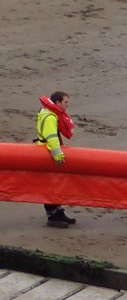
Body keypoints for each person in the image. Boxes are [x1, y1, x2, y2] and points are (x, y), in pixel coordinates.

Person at [35, 91, 77, 228]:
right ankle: (52, 216)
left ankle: (59, 212)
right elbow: (52, 138)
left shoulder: (49, 113)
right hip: (47, 153)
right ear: (58, 103)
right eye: (66, 102)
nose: (68, 105)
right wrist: (58, 156)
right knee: (50, 184)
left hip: (46, 151)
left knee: (56, 183)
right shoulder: (50, 117)